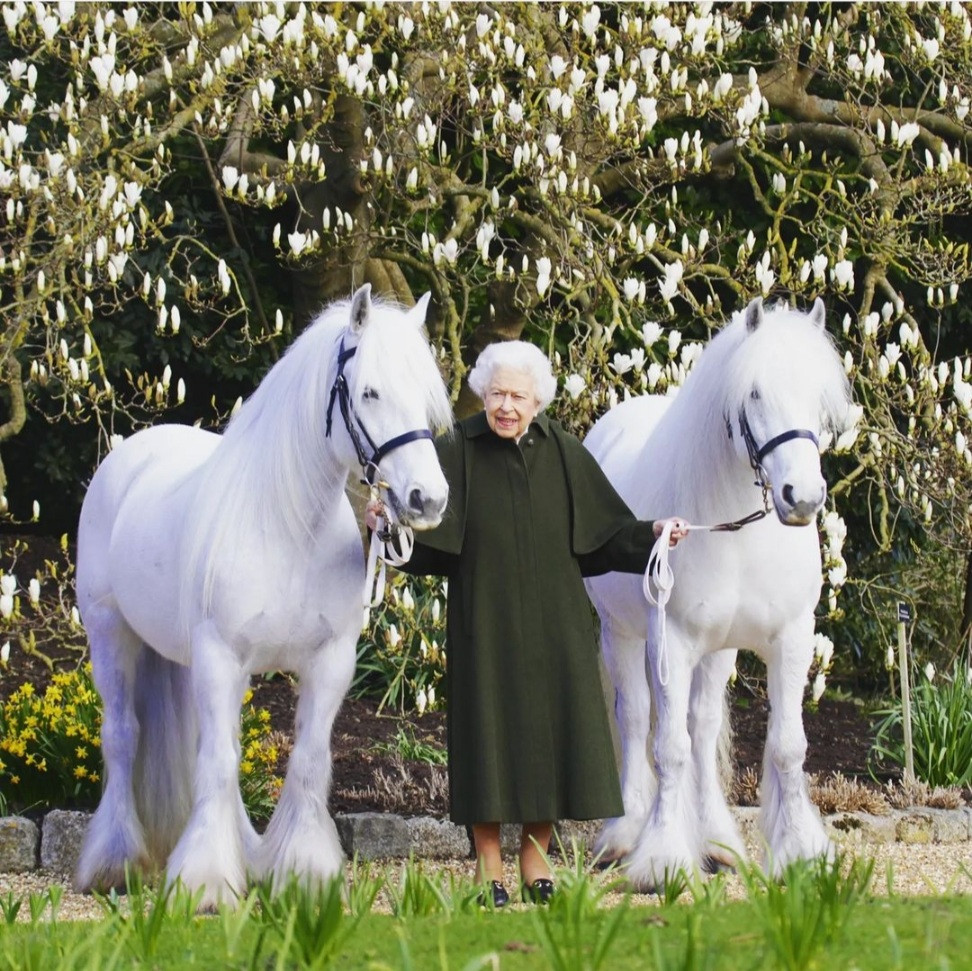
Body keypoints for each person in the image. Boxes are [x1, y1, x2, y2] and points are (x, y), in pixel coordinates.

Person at [367, 340, 687, 907]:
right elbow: (423, 540)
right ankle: (488, 859)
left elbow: (607, 534)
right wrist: (384, 526)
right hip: (482, 622)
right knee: (486, 737)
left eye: (517, 395)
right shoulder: (457, 450)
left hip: (555, 624)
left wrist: (656, 532)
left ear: (538, 400)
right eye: (496, 394)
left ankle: (535, 852)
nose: (506, 406)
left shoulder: (564, 451)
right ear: (481, 396)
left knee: (552, 738)